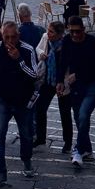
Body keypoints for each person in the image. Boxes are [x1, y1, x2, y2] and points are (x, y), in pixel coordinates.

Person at [0, 21, 38, 189]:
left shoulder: (28, 50)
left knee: (26, 134)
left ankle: (27, 159)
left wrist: (19, 60)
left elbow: (34, 75)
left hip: (23, 101)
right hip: (3, 99)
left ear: (18, 36)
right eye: (6, 37)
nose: (9, 41)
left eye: (12, 37)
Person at [57, 16, 95, 167]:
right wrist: (60, 82)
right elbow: (63, 62)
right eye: (72, 32)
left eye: (78, 32)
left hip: (90, 86)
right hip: (75, 88)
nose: (75, 35)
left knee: (83, 115)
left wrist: (77, 75)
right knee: (79, 120)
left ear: (83, 30)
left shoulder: (93, 43)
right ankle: (87, 150)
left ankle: (77, 150)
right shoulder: (67, 41)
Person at [34, 21, 73, 152]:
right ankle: (40, 138)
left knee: (64, 112)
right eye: (48, 30)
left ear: (60, 34)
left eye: (51, 32)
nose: (48, 33)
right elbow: (38, 48)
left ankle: (67, 142)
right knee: (40, 108)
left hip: (62, 82)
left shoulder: (67, 44)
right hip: (47, 79)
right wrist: (41, 54)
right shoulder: (45, 38)